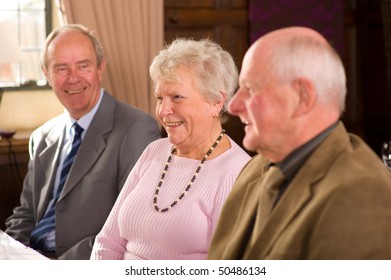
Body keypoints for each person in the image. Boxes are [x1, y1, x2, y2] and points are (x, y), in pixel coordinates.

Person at [207, 26, 391, 260]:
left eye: (251, 89)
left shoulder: (363, 196)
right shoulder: (255, 168)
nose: (233, 106)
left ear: (302, 97)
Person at [5, 24, 161, 260]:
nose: (73, 78)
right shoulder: (42, 137)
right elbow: (26, 214)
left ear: (100, 68)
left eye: (83, 65)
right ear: (46, 73)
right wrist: (9, 254)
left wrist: (54, 269)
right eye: (61, 68)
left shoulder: (136, 128)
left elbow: (126, 229)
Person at [90, 38, 251, 260]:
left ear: (216, 101)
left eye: (177, 97)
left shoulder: (236, 172)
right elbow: (107, 242)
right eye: (159, 98)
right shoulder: (155, 151)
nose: (163, 111)